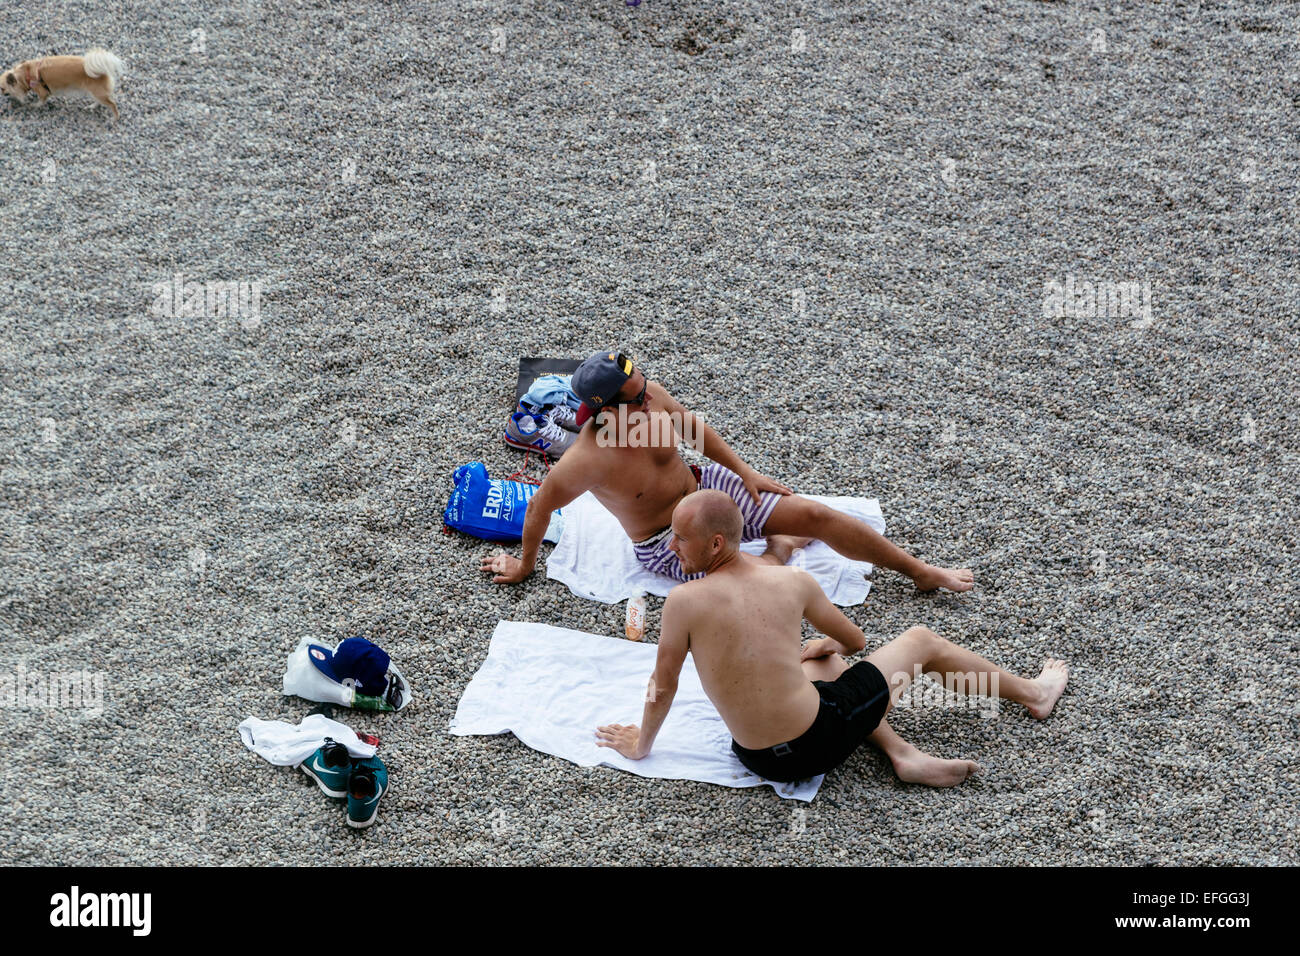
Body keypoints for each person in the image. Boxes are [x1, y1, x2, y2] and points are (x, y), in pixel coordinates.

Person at [594, 491, 1068, 785]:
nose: (672, 547)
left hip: (758, 758)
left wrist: (641, 745)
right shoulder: (791, 584)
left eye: (679, 538)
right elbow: (856, 640)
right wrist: (831, 643)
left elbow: (662, 687)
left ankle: (904, 755)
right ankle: (1034, 692)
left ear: (715, 544)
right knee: (921, 640)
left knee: (821, 668)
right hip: (817, 743)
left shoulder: (683, 602)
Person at [481, 350, 974, 592]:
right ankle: (779, 549)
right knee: (755, 580)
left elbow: (696, 432)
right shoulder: (589, 458)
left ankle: (920, 572)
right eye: (637, 396)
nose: (651, 396)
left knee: (817, 516)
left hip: (707, 488)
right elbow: (541, 507)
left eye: (645, 385)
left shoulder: (648, 402)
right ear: (606, 409)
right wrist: (525, 565)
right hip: (665, 537)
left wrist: (746, 472)